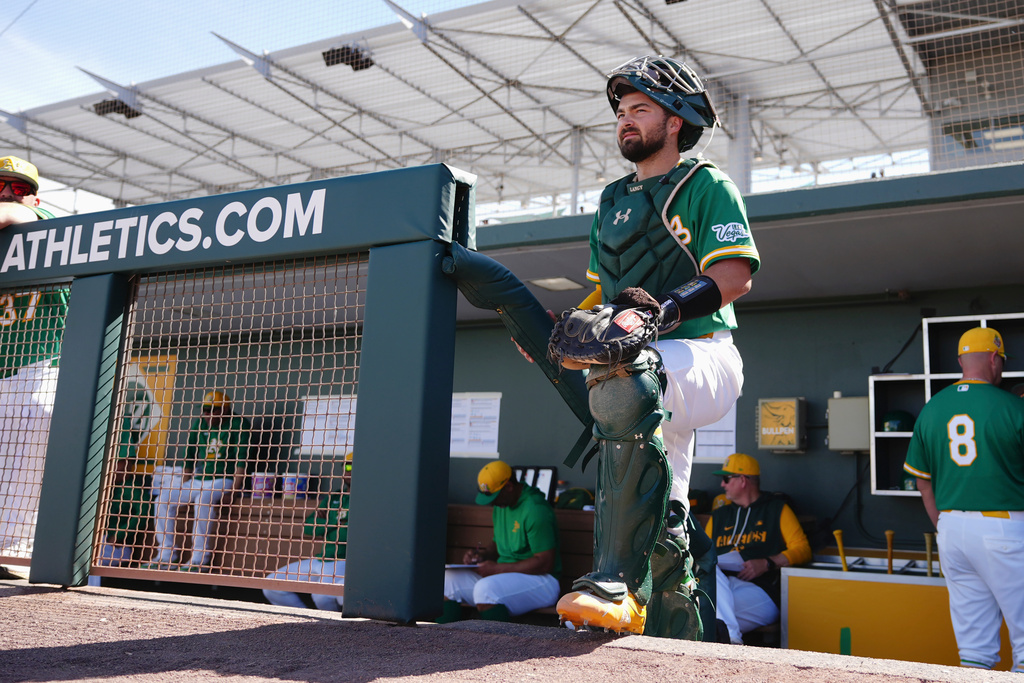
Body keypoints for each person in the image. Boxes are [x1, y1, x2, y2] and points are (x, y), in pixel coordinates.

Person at [550, 55, 759, 635]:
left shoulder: (704, 182)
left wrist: (663, 310)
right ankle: (676, 621)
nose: (625, 119)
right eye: (621, 111)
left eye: (640, 109)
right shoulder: (611, 199)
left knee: (625, 379)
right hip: (650, 367)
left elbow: (735, 274)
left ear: (675, 123)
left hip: (705, 354)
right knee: (665, 504)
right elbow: (599, 295)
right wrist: (566, 330)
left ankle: (613, 579)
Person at [904, 327, 1024, 672]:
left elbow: (923, 484)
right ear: (993, 358)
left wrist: (947, 526)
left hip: (952, 528)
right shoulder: (1012, 407)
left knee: (974, 650)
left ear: (960, 361)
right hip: (1005, 528)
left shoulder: (932, 408)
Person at [0, 156, 63, 575]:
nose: (8, 191)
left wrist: (17, 205)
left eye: (18, 186)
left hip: (43, 366)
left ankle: (17, 557)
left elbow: (12, 213)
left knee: (37, 421)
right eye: (0, 184)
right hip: (4, 374)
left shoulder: (47, 222)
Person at [704, 453, 810, 644]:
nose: (722, 485)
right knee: (709, 567)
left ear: (743, 480)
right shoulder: (719, 516)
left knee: (708, 616)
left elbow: (802, 549)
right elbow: (704, 556)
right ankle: (733, 639)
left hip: (762, 590)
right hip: (723, 586)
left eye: (726, 479)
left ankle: (728, 636)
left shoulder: (776, 509)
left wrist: (768, 563)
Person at [437, 460, 561, 623]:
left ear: (509, 486)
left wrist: (497, 569)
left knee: (486, 589)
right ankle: (444, 642)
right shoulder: (502, 504)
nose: (492, 503)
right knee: (447, 580)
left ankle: (498, 645)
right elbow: (498, 543)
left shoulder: (535, 509)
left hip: (542, 581)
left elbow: (545, 563)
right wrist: (481, 556)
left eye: (495, 497)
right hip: (506, 575)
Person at [145, 390, 250, 571]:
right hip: (199, 479)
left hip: (224, 479)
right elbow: (189, 457)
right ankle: (166, 554)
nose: (208, 414)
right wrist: (185, 485)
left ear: (226, 409)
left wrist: (233, 490)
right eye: (205, 410)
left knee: (203, 499)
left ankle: (200, 558)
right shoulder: (200, 423)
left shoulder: (239, 424)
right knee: (162, 498)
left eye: (213, 410)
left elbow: (242, 461)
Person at [263, 460, 351, 611]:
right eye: (346, 467)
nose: (348, 471)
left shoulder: (366, 499)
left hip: (342, 560)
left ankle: (332, 627)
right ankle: (303, 618)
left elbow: (345, 534)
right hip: (321, 557)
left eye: (353, 467)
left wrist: (326, 521)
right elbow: (309, 528)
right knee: (271, 583)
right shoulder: (335, 496)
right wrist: (334, 522)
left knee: (322, 597)